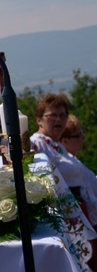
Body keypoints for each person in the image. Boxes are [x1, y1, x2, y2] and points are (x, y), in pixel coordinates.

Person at [30, 93, 97, 225]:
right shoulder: (36, 144)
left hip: (77, 211)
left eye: (62, 115)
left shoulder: (57, 146)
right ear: (39, 120)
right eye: (52, 115)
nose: (58, 119)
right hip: (62, 214)